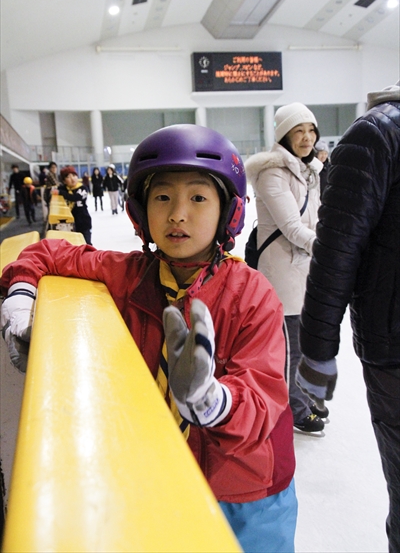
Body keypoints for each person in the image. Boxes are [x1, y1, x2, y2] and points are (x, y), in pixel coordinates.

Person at [0, 125, 297, 553]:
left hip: (247, 492)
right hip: (162, 471)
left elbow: (263, 396)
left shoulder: (252, 295)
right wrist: (23, 290)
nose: (177, 214)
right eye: (162, 198)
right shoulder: (132, 275)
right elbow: (49, 252)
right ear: (141, 210)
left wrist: (213, 401)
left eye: (197, 198)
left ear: (228, 211)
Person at [296, 82, 400, 553]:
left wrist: (317, 354)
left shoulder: (373, 133)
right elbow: (338, 246)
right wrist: (317, 352)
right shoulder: (377, 136)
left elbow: (337, 247)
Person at [245, 103, 326, 435]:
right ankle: (295, 408)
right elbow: (292, 227)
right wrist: (330, 249)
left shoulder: (306, 171)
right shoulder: (273, 172)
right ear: (284, 136)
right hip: (282, 271)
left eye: (310, 131)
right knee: (290, 347)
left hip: (305, 268)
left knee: (305, 343)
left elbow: (315, 220)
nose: (306, 138)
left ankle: (302, 397)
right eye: (298, 131)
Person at [58, 166, 92, 244]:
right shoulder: (64, 189)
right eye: (68, 177)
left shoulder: (82, 188)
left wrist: (61, 193)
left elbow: (75, 197)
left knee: (87, 243)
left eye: (74, 176)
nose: (72, 179)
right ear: (64, 181)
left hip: (83, 221)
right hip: (70, 223)